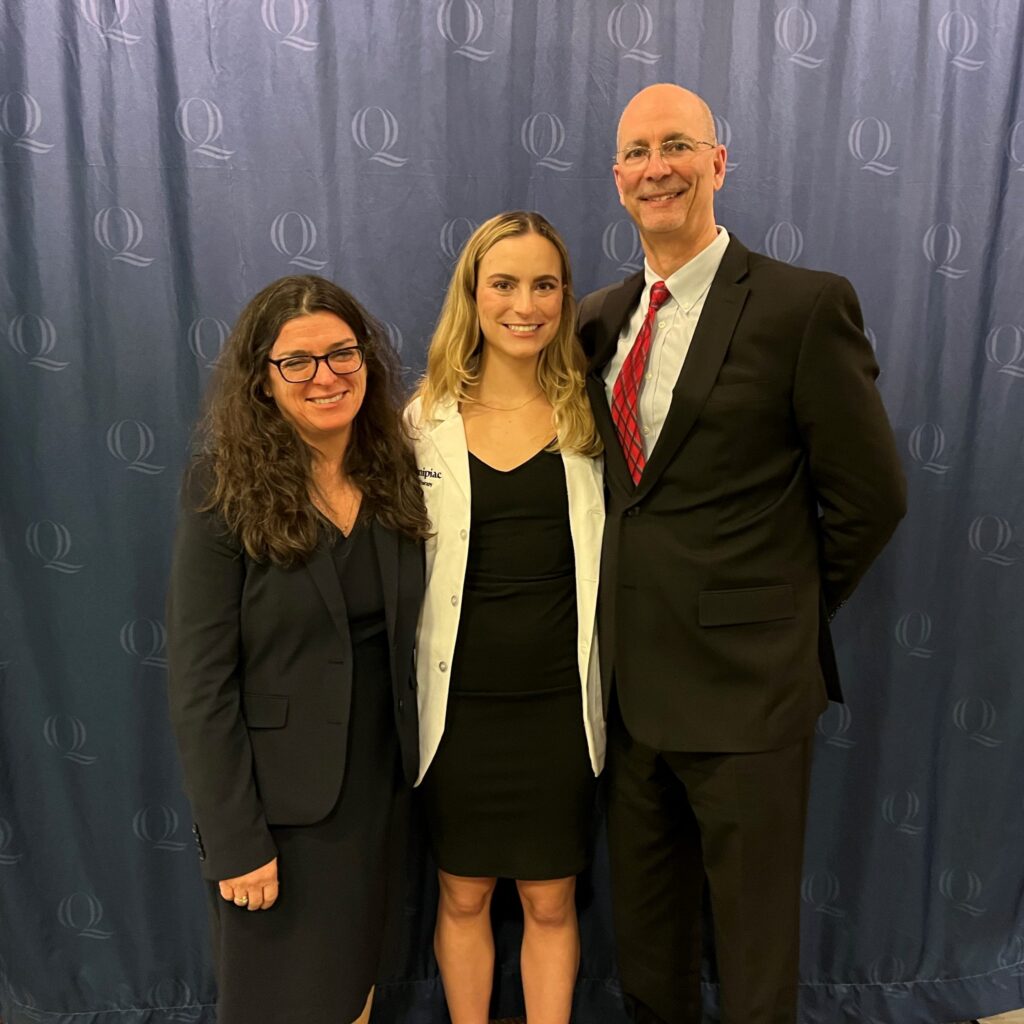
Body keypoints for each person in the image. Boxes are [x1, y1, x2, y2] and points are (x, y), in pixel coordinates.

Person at [576, 85, 907, 1024]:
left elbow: (871, 498)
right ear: (617, 178)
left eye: (677, 146)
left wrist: (780, 612)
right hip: (629, 699)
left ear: (718, 162)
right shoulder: (596, 319)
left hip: (749, 694)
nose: (657, 168)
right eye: (637, 153)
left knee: (756, 959)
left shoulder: (803, 307)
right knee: (650, 955)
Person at [166, 275, 428, 1024]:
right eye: (298, 361)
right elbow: (200, 680)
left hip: (377, 800)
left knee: (354, 996)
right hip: (275, 815)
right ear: (263, 379)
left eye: (342, 353)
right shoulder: (223, 488)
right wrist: (234, 840)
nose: (326, 376)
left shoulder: (397, 471)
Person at [406, 211, 605, 1024]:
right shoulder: (422, 422)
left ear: (565, 297)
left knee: (551, 902)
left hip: (559, 708)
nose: (525, 305)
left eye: (544, 285)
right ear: (473, 294)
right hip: (457, 712)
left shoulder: (594, 418)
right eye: (505, 284)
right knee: (463, 896)